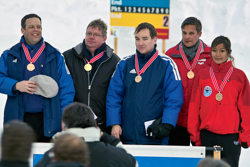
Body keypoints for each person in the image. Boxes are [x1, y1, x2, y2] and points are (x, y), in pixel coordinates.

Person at [0, 13, 75, 142]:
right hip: (19, 118)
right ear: (22, 30)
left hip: (48, 120)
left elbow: (66, 88)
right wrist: (15, 85)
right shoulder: (9, 54)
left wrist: (65, 117)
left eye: (39, 27)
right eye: (31, 27)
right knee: (19, 159)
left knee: (46, 159)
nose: (36, 30)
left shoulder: (55, 55)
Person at [106, 22, 183, 145]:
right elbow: (114, 96)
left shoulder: (167, 64)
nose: (140, 43)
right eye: (137, 39)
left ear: (155, 39)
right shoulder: (124, 64)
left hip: (155, 135)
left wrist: (167, 124)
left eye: (145, 39)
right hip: (128, 135)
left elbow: (174, 99)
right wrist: (115, 123)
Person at [188, 36, 250, 167]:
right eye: (214, 50)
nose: (217, 54)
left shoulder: (239, 76)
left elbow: (246, 109)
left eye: (222, 51)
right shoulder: (202, 75)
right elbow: (194, 107)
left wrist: (245, 136)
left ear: (228, 52)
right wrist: (195, 136)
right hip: (207, 135)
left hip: (230, 137)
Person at [35, 102, 137, 167]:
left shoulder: (53, 155)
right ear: (94, 124)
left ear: (64, 125)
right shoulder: (113, 153)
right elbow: (133, 163)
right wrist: (107, 138)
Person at [63, 19, 120, 134]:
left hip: (101, 125)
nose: (91, 37)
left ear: (104, 38)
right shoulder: (68, 57)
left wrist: (114, 122)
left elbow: (116, 94)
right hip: (75, 123)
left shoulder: (114, 61)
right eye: (89, 33)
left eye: (96, 35)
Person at [165, 17, 211, 146]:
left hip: (202, 120)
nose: (187, 37)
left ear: (199, 34)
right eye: (184, 33)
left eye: (191, 33)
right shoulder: (171, 54)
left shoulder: (210, 55)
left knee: (203, 163)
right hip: (178, 119)